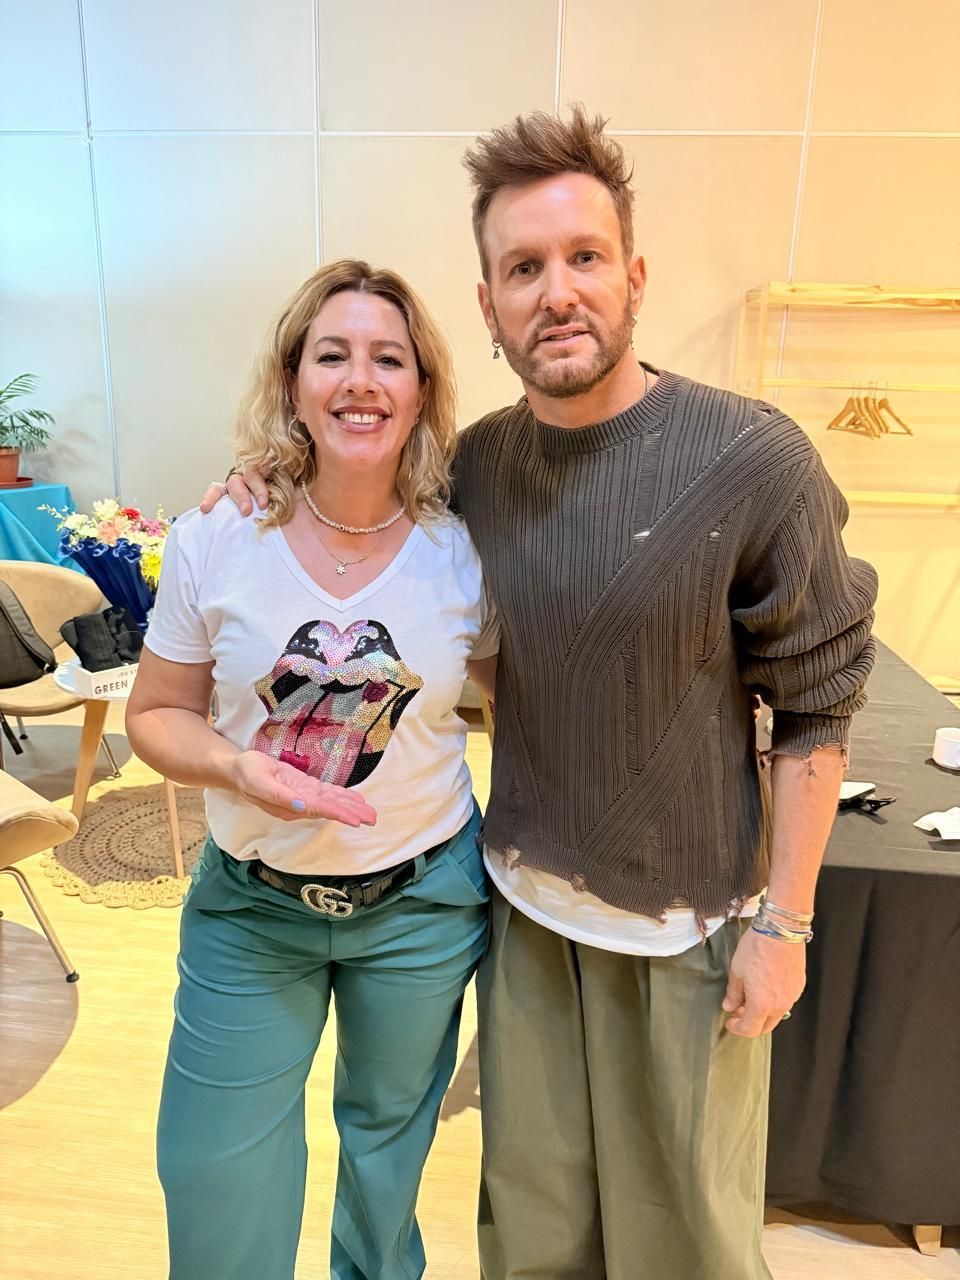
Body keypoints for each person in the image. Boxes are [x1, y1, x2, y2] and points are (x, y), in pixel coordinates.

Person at [208, 108, 878, 1280]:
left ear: (633, 273)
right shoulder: (483, 467)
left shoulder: (752, 460)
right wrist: (270, 470)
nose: (556, 292)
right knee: (532, 1234)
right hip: (519, 914)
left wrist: (788, 924)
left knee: (690, 1243)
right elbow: (371, 500)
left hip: (692, 927)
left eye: (582, 258)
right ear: (488, 303)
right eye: (524, 268)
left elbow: (819, 701)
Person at [127, 258, 499, 1280]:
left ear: (422, 386)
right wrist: (241, 770)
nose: (360, 380)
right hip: (252, 906)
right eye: (332, 354)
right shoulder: (219, 533)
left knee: (386, 1169)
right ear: (294, 377)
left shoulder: (463, 549)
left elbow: (517, 702)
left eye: (389, 358)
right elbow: (155, 712)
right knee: (212, 1173)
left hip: (422, 906)